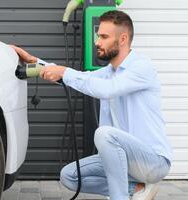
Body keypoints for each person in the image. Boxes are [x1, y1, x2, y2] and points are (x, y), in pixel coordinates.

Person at [11, 10, 172, 200]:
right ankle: (137, 189)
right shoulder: (109, 71)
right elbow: (78, 78)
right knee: (69, 176)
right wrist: (36, 63)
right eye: (98, 36)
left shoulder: (142, 67)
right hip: (123, 159)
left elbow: (106, 89)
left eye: (104, 37)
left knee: (104, 133)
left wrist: (63, 72)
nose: (97, 42)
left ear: (122, 39)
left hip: (152, 161)